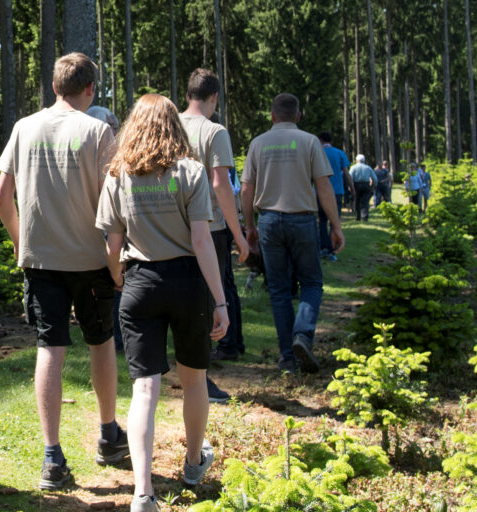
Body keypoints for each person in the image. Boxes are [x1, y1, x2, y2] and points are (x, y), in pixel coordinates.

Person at [0, 52, 127, 490]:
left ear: (54, 87)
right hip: (91, 260)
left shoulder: (23, 127)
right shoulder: (99, 131)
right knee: (101, 341)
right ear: (90, 89)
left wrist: (20, 241)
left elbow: (1, 197)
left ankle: (52, 456)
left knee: (49, 347)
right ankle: (108, 435)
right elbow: (116, 202)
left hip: (41, 260)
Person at [96, 94, 228, 512]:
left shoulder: (119, 174)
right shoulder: (189, 172)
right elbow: (202, 240)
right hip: (188, 283)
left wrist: (120, 279)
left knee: (144, 389)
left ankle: (142, 493)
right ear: (175, 126)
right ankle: (192, 465)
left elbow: (111, 245)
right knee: (194, 380)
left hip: (139, 284)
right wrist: (220, 301)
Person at [241, 93, 344, 374]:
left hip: (269, 222)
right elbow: (323, 187)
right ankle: (303, 334)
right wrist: (335, 226)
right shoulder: (310, 141)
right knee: (311, 283)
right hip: (303, 220)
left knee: (279, 290)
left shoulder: (258, 143)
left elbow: (247, 189)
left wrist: (249, 226)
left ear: (272, 116)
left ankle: (287, 357)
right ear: (298, 116)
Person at [179, 68, 248, 398]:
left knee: (184, 301)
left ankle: (189, 371)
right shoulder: (214, 131)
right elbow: (221, 185)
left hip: (171, 226)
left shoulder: (170, 125)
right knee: (208, 301)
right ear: (214, 97)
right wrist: (239, 234)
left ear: (187, 93)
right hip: (210, 227)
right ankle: (200, 378)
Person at [86, 105, 126, 353]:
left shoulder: (117, 154)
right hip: (96, 227)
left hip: (113, 226)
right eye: (109, 127)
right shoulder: (91, 153)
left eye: (115, 127)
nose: (114, 132)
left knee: (117, 279)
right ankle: (110, 336)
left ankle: (118, 337)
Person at [318, 131, 354, 262]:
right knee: (335, 221)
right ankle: (333, 250)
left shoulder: (318, 153)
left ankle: (323, 248)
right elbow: (346, 173)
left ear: (320, 140)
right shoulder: (339, 153)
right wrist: (352, 188)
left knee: (321, 221)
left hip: (319, 192)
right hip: (337, 192)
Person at [349, 154, 378, 222]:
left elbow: (350, 177)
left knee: (357, 201)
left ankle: (357, 217)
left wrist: (350, 186)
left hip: (356, 185)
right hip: (366, 185)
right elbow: (375, 178)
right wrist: (373, 186)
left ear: (356, 160)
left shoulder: (353, 167)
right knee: (365, 202)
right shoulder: (368, 167)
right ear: (364, 160)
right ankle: (365, 217)